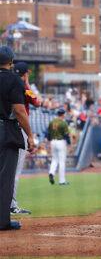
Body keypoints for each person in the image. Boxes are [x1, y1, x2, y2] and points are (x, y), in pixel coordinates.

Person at [0, 45, 34, 230]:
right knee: (6, 176)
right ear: (11, 62)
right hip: (5, 130)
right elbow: (20, 111)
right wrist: (30, 136)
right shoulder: (14, 80)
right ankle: (2, 221)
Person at [10, 62, 41, 215]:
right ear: (24, 75)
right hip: (18, 128)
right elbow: (38, 102)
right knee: (14, 170)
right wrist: (27, 85)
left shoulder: (5, 83)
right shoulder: (23, 87)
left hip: (4, 127)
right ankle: (12, 205)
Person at [47, 109, 71, 185]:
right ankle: (62, 181)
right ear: (63, 114)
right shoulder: (63, 123)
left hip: (53, 142)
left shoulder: (52, 122)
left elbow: (48, 134)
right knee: (61, 162)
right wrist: (69, 145)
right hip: (61, 142)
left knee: (54, 159)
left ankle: (51, 172)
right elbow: (66, 135)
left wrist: (48, 143)